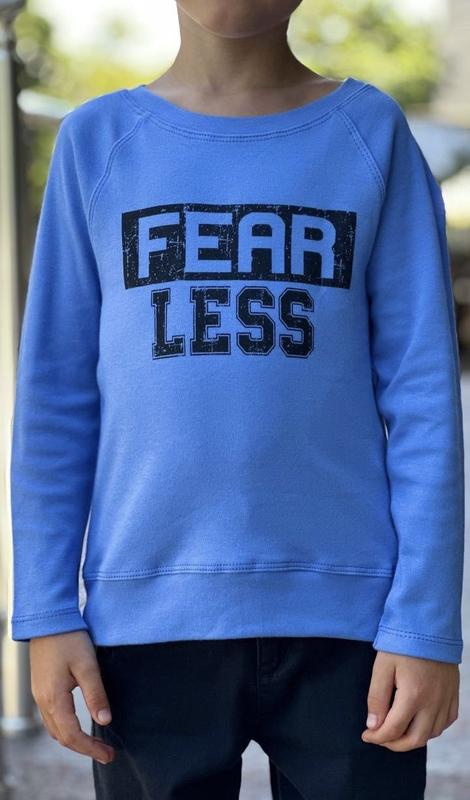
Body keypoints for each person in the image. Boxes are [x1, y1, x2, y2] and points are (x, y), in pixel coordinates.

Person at [9, 1, 465, 798]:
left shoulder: (370, 133)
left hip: (352, 623)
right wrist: (47, 613)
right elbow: (55, 397)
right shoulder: (97, 142)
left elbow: (424, 395)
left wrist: (424, 623)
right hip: (144, 622)